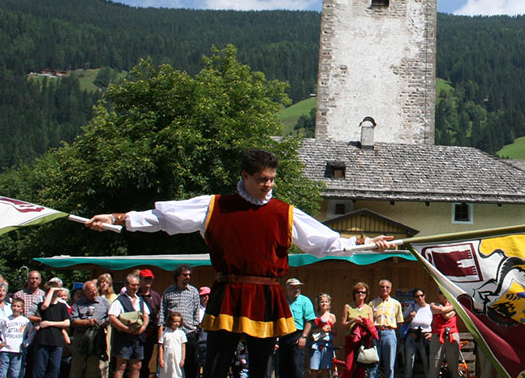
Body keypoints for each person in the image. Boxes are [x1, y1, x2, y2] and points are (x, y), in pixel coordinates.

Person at [88, 148, 392, 378]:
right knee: (216, 365)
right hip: (229, 293)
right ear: (245, 176)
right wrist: (118, 219)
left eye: (272, 179)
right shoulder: (215, 206)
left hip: (266, 295)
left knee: (262, 368)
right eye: (262, 179)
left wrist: (366, 244)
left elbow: (325, 241)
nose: (268, 185)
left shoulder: (284, 212)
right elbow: (163, 218)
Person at [159, 266, 200, 378]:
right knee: (172, 361)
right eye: (185, 275)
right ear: (177, 276)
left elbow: (196, 310)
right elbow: (162, 311)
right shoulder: (168, 292)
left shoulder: (193, 292)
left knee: (190, 363)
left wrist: (195, 326)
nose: (188, 277)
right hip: (171, 332)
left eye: (189, 275)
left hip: (188, 331)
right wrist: (161, 328)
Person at [108, 274, 150, 378]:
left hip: (138, 338)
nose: (135, 287)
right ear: (126, 285)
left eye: (137, 285)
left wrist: (143, 328)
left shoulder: (140, 300)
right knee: (121, 366)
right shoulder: (119, 301)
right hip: (123, 338)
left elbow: (146, 315)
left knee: (137, 366)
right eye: (133, 285)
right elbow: (112, 317)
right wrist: (126, 329)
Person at [69, 280, 109, 378]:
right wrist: (87, 322)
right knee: (77, 366)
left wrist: (103, 323)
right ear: (85, 292)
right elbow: (73, 320)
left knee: (93, 366)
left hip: (97, 337)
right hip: (81, 336)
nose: (94, 293)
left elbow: (110, 317)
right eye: (91, 291)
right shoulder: (79, 303)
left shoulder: (104, 302)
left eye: (95, 290)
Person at [31, 284, 70, 378]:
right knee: (39, 368)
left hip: (56, 340)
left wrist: (49, 323)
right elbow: (45, 306)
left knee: (54, 368)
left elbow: (67, 323)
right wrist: (52, 290)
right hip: (43, 340)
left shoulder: (62, 306)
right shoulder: (41, 304)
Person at [278, 278, 315, 378]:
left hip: (297, 335)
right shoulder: (282, 301)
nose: (297, 290)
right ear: (287, 288)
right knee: (283, 366)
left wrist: (304, 336)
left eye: (298, 287)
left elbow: (309, 320)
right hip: (283, 335)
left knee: (296, 365)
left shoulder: (305, 301)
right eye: (294, 288)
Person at [0, 298, 34, 378]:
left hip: (17, 351)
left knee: (14, 374)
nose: (15, 308)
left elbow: (32, 333)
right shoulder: (5, 319)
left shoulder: (25, 321)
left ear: (22, 309)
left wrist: (26, 343)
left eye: (18, 306)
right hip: (5, 350)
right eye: (14, 306)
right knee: (1, 373)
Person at [369, 279, 403, 378]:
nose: (384, 289)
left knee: (390, 364)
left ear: (390, 289)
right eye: (382, 287)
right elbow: (370, 321)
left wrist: (391, 330)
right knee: (374, 363)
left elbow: (400, 321)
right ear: (378, 289)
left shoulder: (396, 304)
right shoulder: (372, 303)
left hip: (390, 333)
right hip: (376, 333)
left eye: (387, 287)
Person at [341, 282, 375, 378]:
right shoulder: (348, 306)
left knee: (361, 368)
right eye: (358, 292)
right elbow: (343, 325)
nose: (360, 294)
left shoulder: (369, 308)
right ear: (354, 294)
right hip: (351, 339)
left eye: (363, 292)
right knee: (348, 367)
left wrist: (363, 323)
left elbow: (371, 326)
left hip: (364, 340)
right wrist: (353, 321)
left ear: (366, 294)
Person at [429, 290, 459, 378]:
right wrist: (455, 307)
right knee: (434, 364)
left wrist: (443, 310)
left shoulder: (454, 305)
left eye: (447, 292)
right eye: (442, 293)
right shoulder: (434, 304)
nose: (445, 295)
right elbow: (445, 313)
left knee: (453, 364)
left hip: (452, 335)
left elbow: (445, 314)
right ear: (439, 295)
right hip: (438, 336)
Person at [403, 288, 431, 378]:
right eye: (417, 296)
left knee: (427, 364)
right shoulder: (412, 307)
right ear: (414, 298)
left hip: (425, 338)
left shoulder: (430, 308)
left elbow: (436, 323)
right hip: (412, 337)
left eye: (421, 295)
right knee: (409, 364)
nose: (420, 298)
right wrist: (410, 317)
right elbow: (403, 321)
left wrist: (432, 334)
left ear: (424, 296)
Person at [137, 269, 161, 375]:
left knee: (147, 359)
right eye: (146, 279)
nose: (148, 281)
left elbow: (160, 312)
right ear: (140, 280)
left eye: (150, 279)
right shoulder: (136, 295)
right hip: (137, 332)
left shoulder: (155, 296)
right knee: (136, 362)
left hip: (151, 333)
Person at [309, 293, 336, 378]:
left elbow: (335, 332)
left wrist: (331, 329)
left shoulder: (332, 316)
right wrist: (321, 329)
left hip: (327, 345)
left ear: (329, 303)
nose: (324, 304)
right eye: (322, 302)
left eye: (326, 302)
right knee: (314, 370)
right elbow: (310, 331)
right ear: (318, 303)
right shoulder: (314, 315)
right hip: (315, 345)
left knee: (326, 369)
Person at [158, 312, 187, 378]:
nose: (177, 323)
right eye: (175, 321)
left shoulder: (181, 333)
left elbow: (183, 347)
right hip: (167, 358)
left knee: (178, 373)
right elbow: (161, 347)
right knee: (166, 373)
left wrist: (183, 359)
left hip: (177, 358)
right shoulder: (165, 333)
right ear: (170, 321)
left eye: (178, 322)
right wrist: (161, 359)